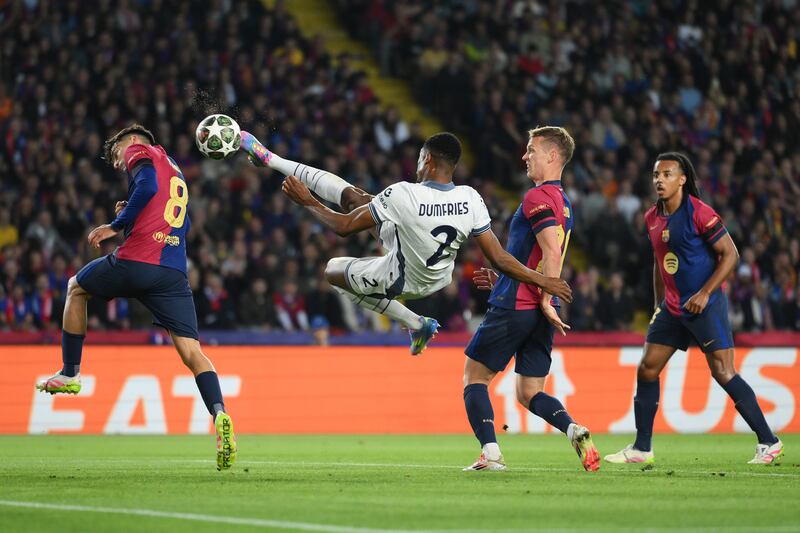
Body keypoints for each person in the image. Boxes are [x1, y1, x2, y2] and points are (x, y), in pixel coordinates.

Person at [241, 130, 572, 355]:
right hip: (439, 274)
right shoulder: (470, 197)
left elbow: (342, 229)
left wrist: (307, 202)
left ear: (427, 160)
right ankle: (269, 157)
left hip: (403, 277)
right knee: (354, 197)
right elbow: (499, 258)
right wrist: (543, 280)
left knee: (332, 270)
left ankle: (416, 324)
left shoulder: (402, 193)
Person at [35, 124, 237, 471]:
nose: (117, 162)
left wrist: (117, 224)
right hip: (172, 273)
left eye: (115, 154)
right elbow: (178, 221)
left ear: (129, 142)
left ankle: (70, 373)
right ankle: (220, 413)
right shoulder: (174, 167)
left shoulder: (139, 151)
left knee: (75, 288)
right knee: (192, 352)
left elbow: (147, 185)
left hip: (137, 261)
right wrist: (133, 216)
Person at [604, 152, 783, 465]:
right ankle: (642, 448)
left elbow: (731, 255)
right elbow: (660, 263)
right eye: (656, 175)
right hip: (672, 308)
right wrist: (658, 304)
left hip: (706, 305)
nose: (660, 180)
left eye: (667, 174)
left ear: (682, 178)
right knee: (647, 368)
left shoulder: (700, 213)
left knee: (723, 372)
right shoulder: (652, 217)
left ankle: (769, 441)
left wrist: (704, 293)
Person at [461, 126, 600, 472]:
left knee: (474, 378)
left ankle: (491, 454)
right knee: (528, 392)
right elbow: (541, 254)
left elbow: (552, 250)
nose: (525, 156)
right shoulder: (563, 203)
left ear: (552, 156)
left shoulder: (536, 197)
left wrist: (542, 298)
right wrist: (529, 291)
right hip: (536, 306)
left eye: (531, 150)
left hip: (519, 305)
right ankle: (573, 429)